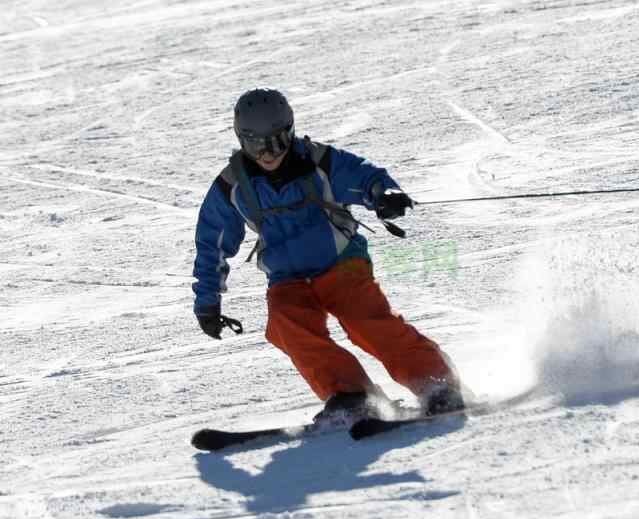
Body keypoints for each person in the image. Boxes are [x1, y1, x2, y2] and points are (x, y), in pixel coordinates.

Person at [192, 88, 464, 422]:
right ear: (241, 141)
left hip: (341, 264)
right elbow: (211, 243)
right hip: (287, 278)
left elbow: (364, 176)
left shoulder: (318, 161)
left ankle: (436, 383)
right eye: (256, 144)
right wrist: (207, 300)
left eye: (277, 142)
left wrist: (384, 194)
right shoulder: (232, 185)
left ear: (290, 133)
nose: (267, 154)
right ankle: (351, 395)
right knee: (286, 323)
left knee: (366, 321)